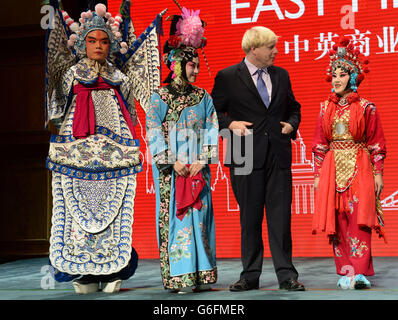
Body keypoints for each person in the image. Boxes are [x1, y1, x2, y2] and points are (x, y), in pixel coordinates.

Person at [44, 2, 161, 294]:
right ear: (83, 43)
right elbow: (56, 108)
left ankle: (114, 270)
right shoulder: (70, 75)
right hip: (76, 149)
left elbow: (132, 113)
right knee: (76, 210)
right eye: (93, 40)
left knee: (116, 208)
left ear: (111, 45)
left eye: (105, 41)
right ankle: (82, 274)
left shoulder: (119, 78)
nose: (99, 46)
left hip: (115, 152)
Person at [211, 26, 304, 291]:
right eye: (271, 47)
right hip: (244, 153)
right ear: (254, 48)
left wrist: (291, 125)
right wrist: (230, 125)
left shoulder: (282, 75)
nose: (276, 51)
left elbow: (294, 108)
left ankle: (287, 275)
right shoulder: (228, 77)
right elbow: (212, 113)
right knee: (249, 218)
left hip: (277, 152)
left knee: (280, 218)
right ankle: (250, 275)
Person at [146, 7, 218, 294]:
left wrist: (202, 159)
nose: (196, 70)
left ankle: (202, 274)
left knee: (200, 218)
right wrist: (171, 162)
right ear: (174, 64)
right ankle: (179, 275)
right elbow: (152, 130)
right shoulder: (159, 97)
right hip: (171, 173)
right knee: (176, 219)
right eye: (191, 65)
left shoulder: (203, 97)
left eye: (198, 64)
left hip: (198, 169)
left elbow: (212, 127)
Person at [312, 36, 387, 290]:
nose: (336, 79)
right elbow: (320, 144)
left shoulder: (367, 108)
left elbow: (376, 144)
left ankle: (361, 272)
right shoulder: (325, 108)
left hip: (360, 165)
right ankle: (345, 271)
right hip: (332, 167)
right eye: (334, 74)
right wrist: (318, 175)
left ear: (353, 77)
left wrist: (378, 173)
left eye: (342, 75)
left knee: (359, 219)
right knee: (338, 222)